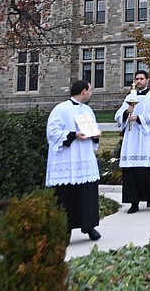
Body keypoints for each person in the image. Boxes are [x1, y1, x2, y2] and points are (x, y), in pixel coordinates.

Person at [45, 80, 102, 240]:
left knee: (87, 194)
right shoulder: (61, 109)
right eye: (90, 90)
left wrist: (95, 136)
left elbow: (92, 129)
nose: (91, 93)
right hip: (68, 159)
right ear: (83, 91)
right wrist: (73, 135)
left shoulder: (88, 110)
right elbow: (52, 132)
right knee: (67, 196)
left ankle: (89, 226)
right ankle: (65, 229)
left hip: (85, 158)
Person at [114, 70, 150, 213]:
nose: (139, 81)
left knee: (146, 170)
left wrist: (138, 118)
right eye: (137, 79)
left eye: (141, 78)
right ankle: (133, 202)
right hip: (132, 138)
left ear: (147, 80)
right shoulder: (130, 97)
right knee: (131, 171)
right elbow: (118, 115)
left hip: (146, 138)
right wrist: (126, 112)